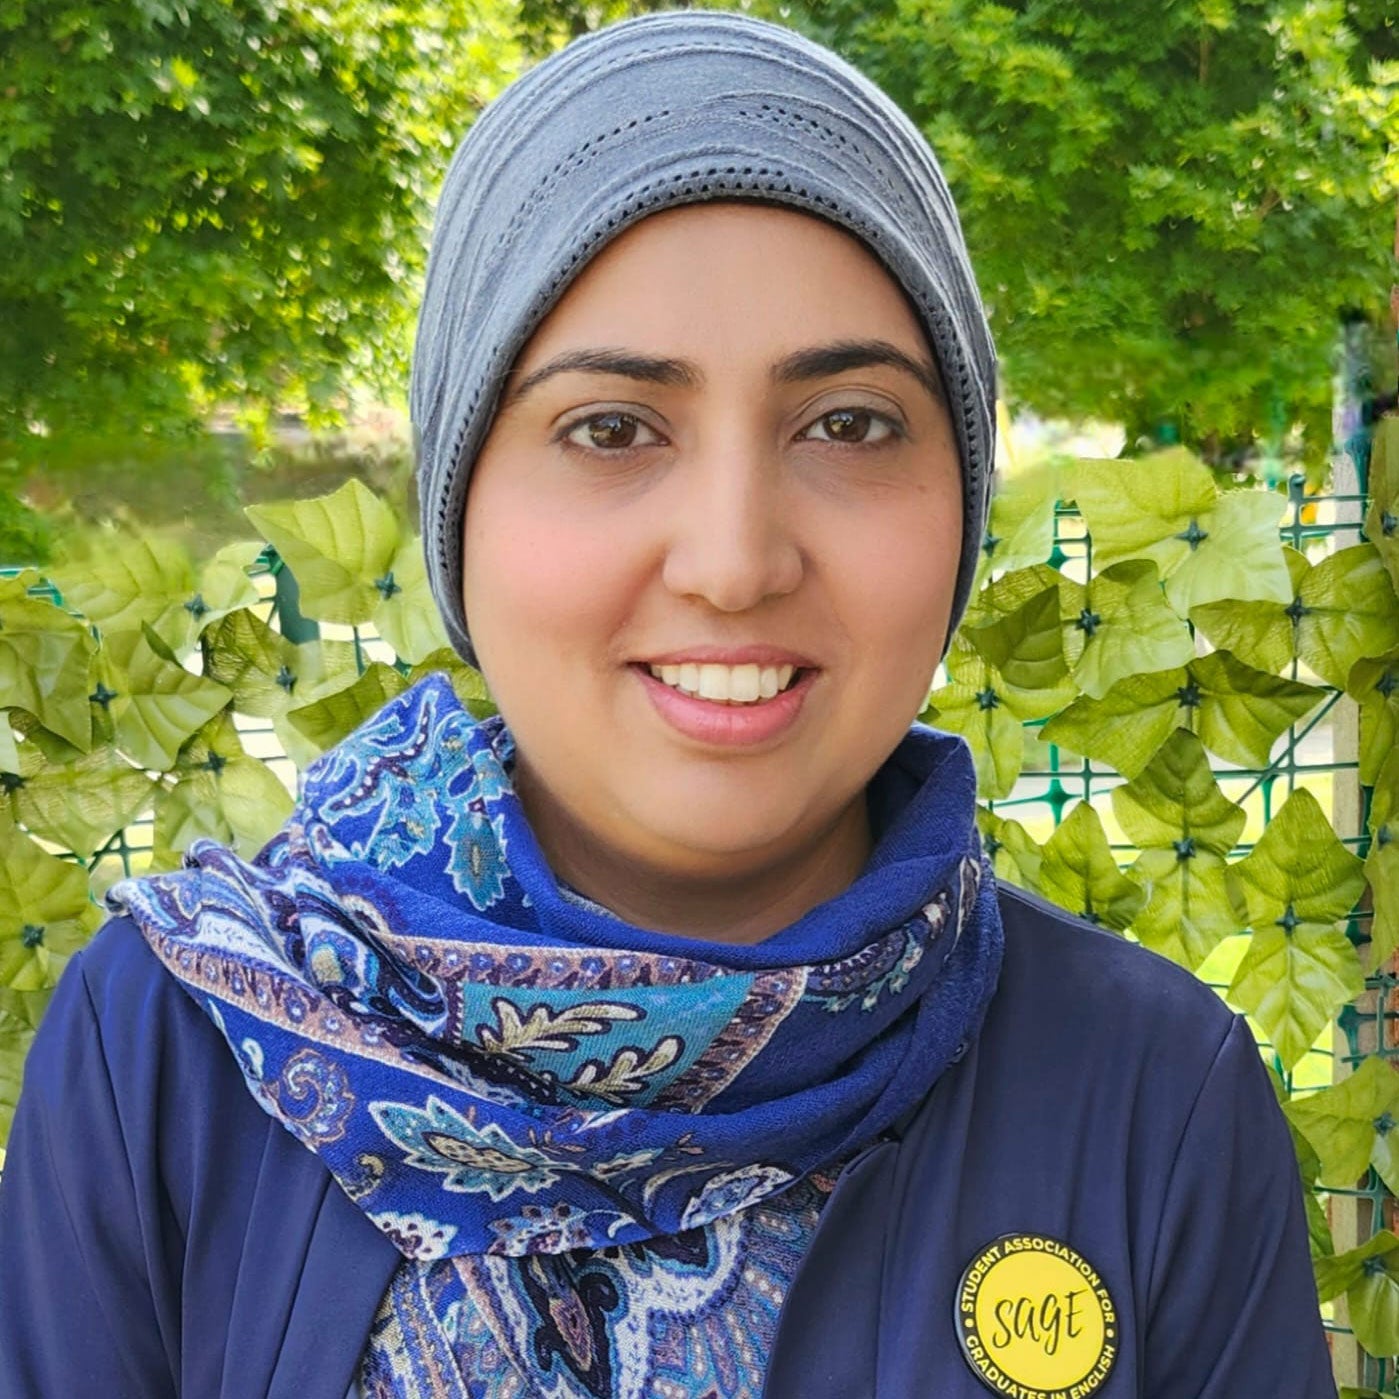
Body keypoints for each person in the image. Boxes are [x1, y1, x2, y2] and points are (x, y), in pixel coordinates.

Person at [0, 11, 1334, 1398]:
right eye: (612, 429)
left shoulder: (1151, 1095)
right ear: (461, 512)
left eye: (851, 424)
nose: (736, 561)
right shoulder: (170, 1059)